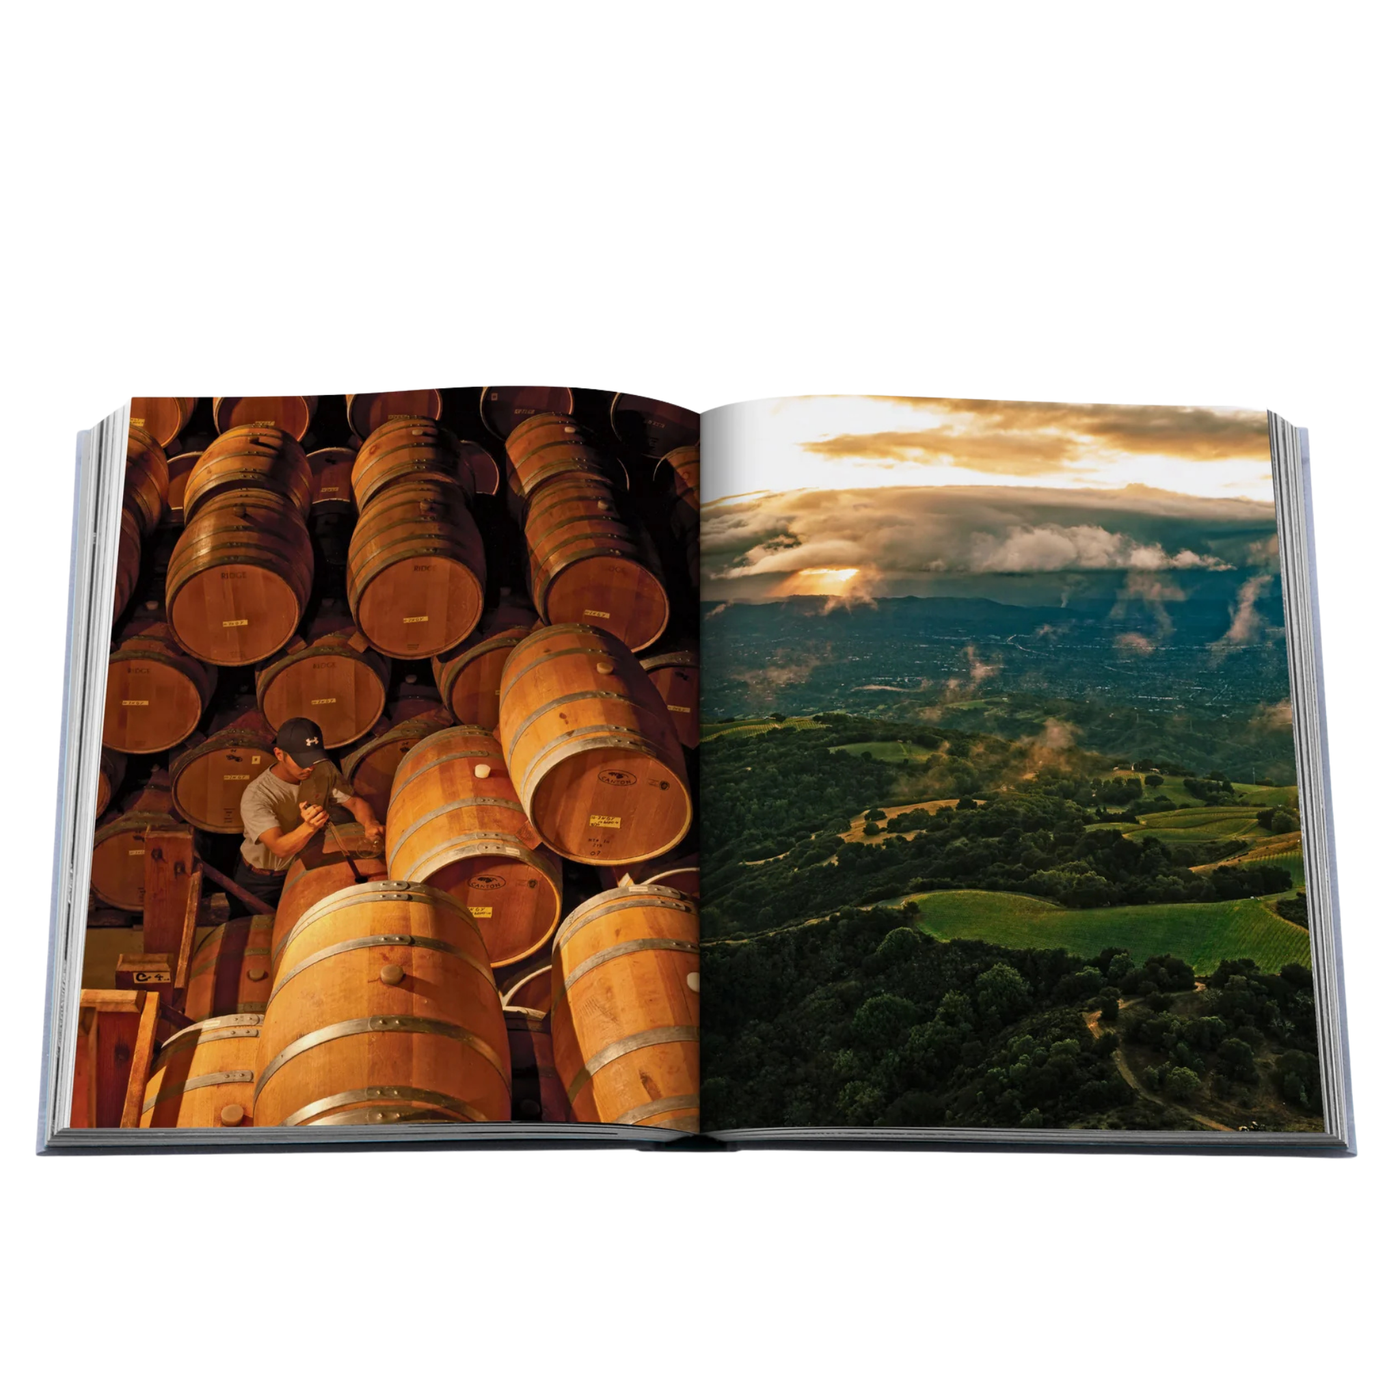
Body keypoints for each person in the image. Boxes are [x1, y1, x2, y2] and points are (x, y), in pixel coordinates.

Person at [235, 716, 384, 911]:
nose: (309, 767)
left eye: (313, 758)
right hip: (263, 881)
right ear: (279, 754)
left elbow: (355, 803)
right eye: (302, 761)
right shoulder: (258, 796)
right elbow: (280, 847)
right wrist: (310, 827)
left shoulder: (322, 770)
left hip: (300, 869)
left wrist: (370, 823)